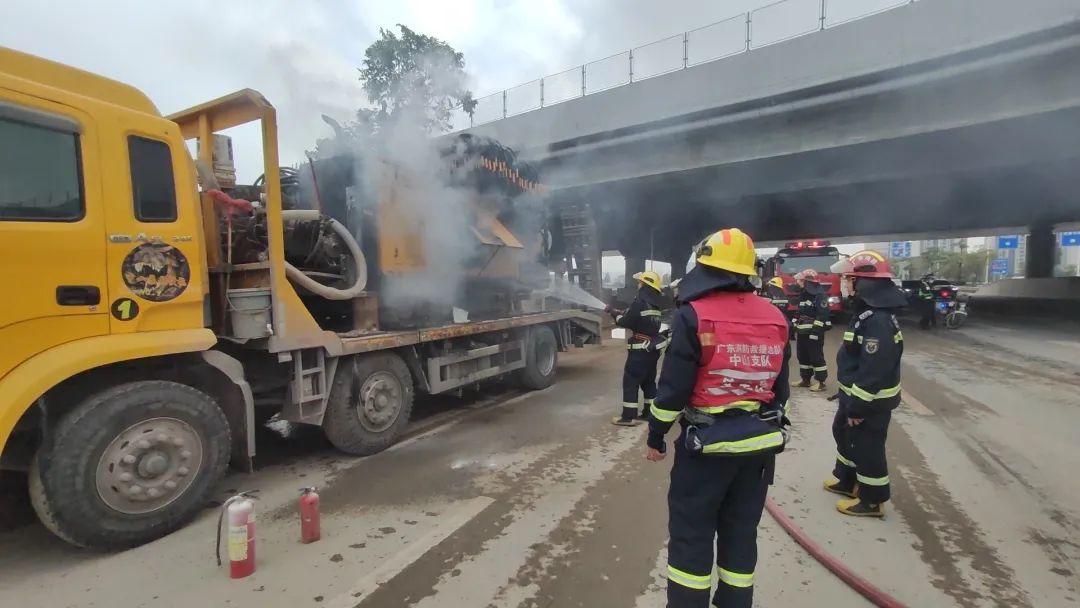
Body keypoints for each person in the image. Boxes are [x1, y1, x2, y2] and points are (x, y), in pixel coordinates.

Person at [647, 228, 790, 608]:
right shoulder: (777, 317)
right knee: (741, 534)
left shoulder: (693, 317)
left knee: (692, 536)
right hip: (759, 450)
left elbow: (672, 393)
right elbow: (782, 393)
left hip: (705, 451)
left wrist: (656, 436)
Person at [825, 250, 906, 518]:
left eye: (850, 279)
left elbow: (874, 370)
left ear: (866, 282)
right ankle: (847, 481)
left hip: (869, 402)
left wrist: (858, 406)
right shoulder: (867, 312)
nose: (847, 285)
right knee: (845, 435)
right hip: (854, 397)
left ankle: (872, 500)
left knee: (867, 447)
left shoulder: (878, 321)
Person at [608, 270, 666, 426]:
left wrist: (614, 314)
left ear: (645, 285)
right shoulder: (655, 305)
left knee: (630, 382)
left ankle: (628, 417)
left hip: (639, 352)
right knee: (648, 382)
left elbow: (626, 322)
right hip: (651, 351)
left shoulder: (639, 302)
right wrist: (621, 313)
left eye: (640, 283)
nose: (638, 285)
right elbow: (639, 319)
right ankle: (649, 413)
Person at [790, 269, 830, 392]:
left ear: (807, 282)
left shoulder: (819, 295)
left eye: (800, 280)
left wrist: (815, 331)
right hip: (802, 333)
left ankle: (821, 382)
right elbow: (800, 312)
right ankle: (805, 380)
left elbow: (822, 314)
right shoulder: (804, 295)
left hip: (814, 333)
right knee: (803, 357)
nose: (798, 282)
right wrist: (794, 324)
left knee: (816, 357)